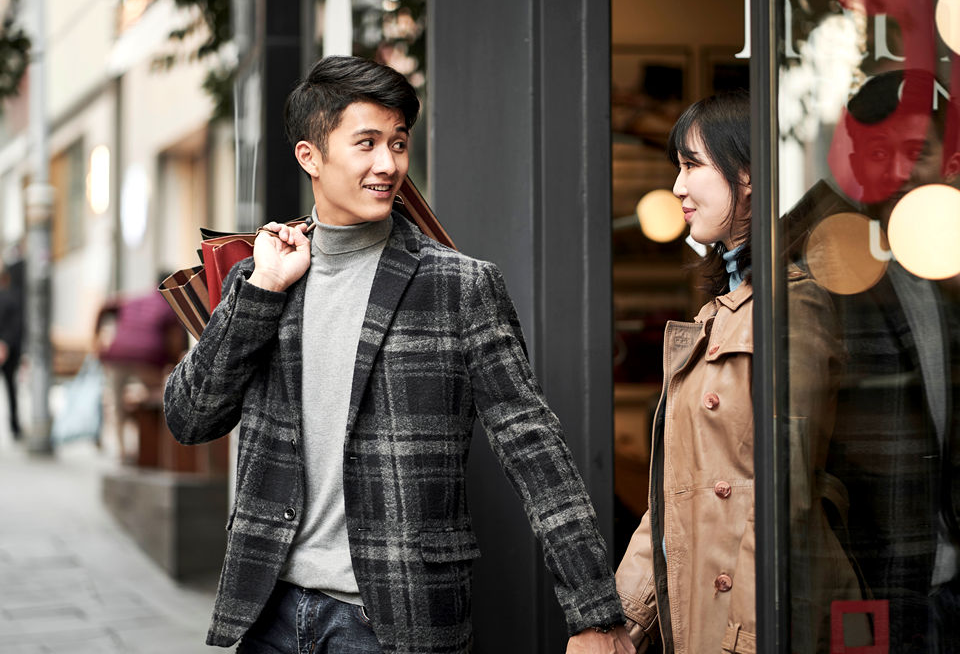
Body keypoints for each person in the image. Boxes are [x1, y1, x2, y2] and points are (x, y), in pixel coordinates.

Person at [163, 55, 632, 654]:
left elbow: (534, 447)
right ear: (311, 155)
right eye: (367, 144)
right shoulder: (263, 277)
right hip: (269, 609)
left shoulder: (458, 286)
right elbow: (189, 417)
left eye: (399, 143)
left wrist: (593, 610)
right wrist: (262, 292)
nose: (389, 165)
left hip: (392, 620)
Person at [614, 91, 865, 653]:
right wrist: (620, 623)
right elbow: (675, 498)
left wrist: (744, 639)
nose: (677, 187)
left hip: (758, 621)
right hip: (707, 611)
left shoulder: (792, 304)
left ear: (748, 173)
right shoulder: (726, 304)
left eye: (691, 165)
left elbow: (786, 499)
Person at [821, 69, 960, 652]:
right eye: (881, 153)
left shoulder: (945, 267)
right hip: (874, 590)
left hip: (951, 585)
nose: (902, 172)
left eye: (917, 152)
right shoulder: (823, 274)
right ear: (856, 162)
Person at [0, 258, 24, 440]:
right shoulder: (13, 296)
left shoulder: (11, 297)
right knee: (11, 389)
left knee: (11, 389)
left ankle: (15, 425)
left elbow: (16, 324)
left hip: (8, 350)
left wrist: (4, 344)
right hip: (8, 349)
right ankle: (15, 427)